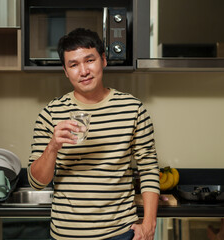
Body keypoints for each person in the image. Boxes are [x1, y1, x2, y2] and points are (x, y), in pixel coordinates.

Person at [27, 28, 160, 240]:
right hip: (65, 235)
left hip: (120, 233)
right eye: (73, 64)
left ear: (104, 60)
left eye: (90, 60)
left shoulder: (133, 109)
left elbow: (149, 168)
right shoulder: (50, 114)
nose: (83, 71)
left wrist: (149, 225)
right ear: (65, 71)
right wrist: (53, 147)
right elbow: (37, 182)